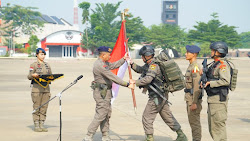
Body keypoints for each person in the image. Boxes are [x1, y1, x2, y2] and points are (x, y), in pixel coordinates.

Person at [129, 45, 187, 141]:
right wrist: (131, 64)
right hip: (162, 95)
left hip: (157, 96)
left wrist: (135, 82)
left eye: (143, 56)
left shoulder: (153, 66)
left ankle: (149, 138)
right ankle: (181, 135)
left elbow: (148, 79)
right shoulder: (151, 64)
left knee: (147, 117)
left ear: (147, 56)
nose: (142, 58)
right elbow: (141, 70)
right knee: (167, 116)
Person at [84, 46, 134, 141]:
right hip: (101, 93)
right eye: (108, 55)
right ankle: (88, 135)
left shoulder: (104, 63)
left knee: (107, 114)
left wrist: (123, 59)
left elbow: (113, 65)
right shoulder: (99, 65)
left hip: (106, 92)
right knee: (101, 114)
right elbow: (112, 77)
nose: (110, 56)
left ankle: (105, 135)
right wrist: (127, 84)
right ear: (103, 55)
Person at [202, 41, 231, 141]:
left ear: (218, 52)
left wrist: (211, 83)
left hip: (219, 100)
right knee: (213, 128)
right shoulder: (214, 64)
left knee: (218, 128)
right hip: (213, 100)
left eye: (213, 50)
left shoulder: (222, 65)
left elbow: (226, 80)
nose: (211, 52)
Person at [27, 48, 52, 132]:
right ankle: (36, 125)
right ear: (37, 55)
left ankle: (42, 124)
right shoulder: (33, 65)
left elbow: (51, 75)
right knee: (37, 107)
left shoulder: (47, 65)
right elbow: (29, 76)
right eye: (41, 54)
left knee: (44, 107)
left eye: (44, 54)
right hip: (36, 89)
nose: (43, 56)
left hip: (46, 89)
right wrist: (33, 75)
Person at [184, 45, 202, 141]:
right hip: (189, 98)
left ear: (194, 54)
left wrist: (194, 102)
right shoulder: (191, 66)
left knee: (195, 123)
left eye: (188, 52)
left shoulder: (195, 67)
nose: (185, 54)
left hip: (193, 99)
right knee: (192, 122)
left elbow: (197, 86)